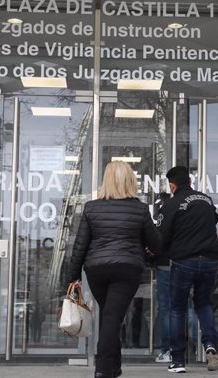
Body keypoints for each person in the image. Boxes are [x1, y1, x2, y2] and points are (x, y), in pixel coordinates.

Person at [69, 161, 162, 378]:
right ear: (130, 181)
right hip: (127, 268)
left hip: (96, 269)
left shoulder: (92, 208)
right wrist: (143, 247)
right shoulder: (139, 209)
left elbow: (80, 245)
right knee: (112, 316)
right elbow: (156, 245)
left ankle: (113, 367)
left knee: (111, 315)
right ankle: (103, 368)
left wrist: (73, 275)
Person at [156, 166, 218, 373]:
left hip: (185, 262)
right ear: (190, 183)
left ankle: (177, 360)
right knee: (204, 305)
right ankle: (210, 345)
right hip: (210, 260)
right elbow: (215, 219)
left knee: (177, 309)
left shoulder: (171, 204)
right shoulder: (206, 200)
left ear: (172, 185)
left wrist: (154, 254)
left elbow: (160, 236)